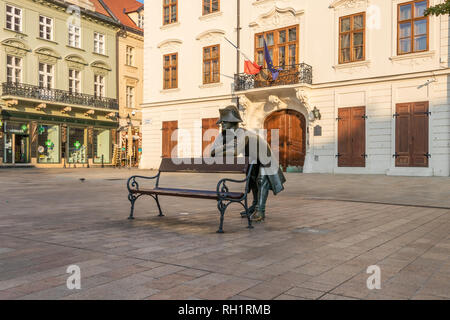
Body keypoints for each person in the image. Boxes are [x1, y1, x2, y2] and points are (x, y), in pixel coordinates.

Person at [210, 105, 286, 222]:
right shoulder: (225, 135)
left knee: (261, 181)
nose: (222, 124)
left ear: (233, 122)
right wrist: (224, 147)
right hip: (253, 158)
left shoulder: (242, 133)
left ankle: (260, 210)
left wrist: (221, 149)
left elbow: (235, 152)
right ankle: (254, 205)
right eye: (221, 122)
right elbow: (212, 151)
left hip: (264, 156)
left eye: (225, 122)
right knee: (251, 180)